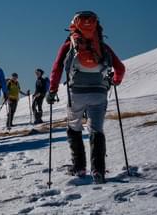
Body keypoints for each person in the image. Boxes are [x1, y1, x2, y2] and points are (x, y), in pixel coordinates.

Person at [47, 11, 125, 184]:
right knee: (96, 129)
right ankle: (98, 170)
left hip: (77, 94)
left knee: (74, 126)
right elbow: (120, 69)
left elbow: (56, 68)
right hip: (99, 93)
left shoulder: (70, 44)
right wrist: (115, 81)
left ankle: (79, 167)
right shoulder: (102, 46)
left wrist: (52, 91)